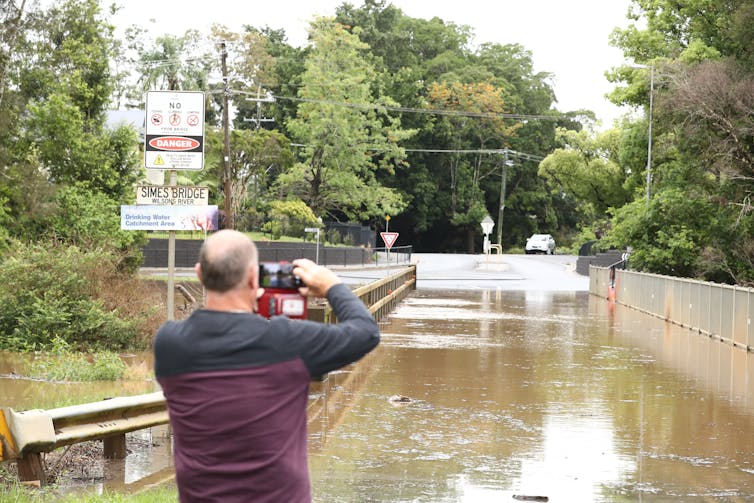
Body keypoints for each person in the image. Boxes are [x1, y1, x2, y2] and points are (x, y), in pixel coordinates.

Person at [153, 229, 380, 502]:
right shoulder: (289, 342)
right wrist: (332, 286)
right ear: (253, 277)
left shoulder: (169, 344)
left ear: (199, 274)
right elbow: (366, 332)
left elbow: (226, 344)